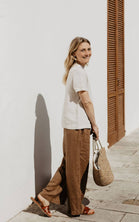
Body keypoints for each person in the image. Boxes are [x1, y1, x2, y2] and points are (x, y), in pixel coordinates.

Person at [31, 37, 99, 217]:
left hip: (77, 125)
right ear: (74, 54)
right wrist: (95, 124)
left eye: (89, 49)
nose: (87, 53)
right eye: (82, 50)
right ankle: (73, 206)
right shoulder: (78, 72)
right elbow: (86, 100)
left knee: (73, 166)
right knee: (77, 168)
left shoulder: (78, 71)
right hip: (77, 126)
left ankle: (47, 198)